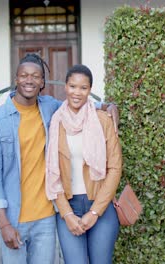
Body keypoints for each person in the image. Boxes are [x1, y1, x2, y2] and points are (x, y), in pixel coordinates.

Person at [0, 54, 118, 264]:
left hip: (45, 217)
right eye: (24, 75)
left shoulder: (50, 109)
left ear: (43, 82)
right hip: (15, 218)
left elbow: (79, 102)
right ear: (16, 79)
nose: (29, 80)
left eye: (35, 76)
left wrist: (107, 106)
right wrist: (3, 223)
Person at [46, 64, 122, 264]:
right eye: (72, 86)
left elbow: (114, 168)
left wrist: (95, 211)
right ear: (65, 87)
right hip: (69, 206)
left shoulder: (103, 120)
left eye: (83, 88)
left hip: (101, 205)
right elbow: (54, 173)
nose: (77, 93)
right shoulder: (56, 122)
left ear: (90, 90)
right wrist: (67, 213)